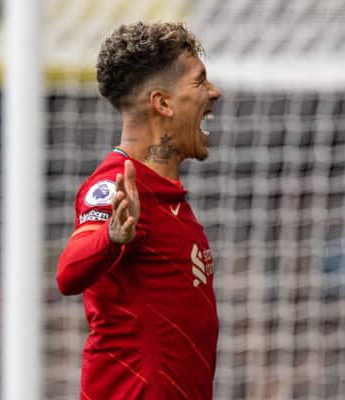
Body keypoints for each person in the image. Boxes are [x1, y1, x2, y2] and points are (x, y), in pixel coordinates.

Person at [56, 22, 222, 399]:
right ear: (162, 103)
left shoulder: (168, 198)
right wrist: (113, 236)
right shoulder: (115, 186)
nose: (214, 93)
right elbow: (68, 272)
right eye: (199, 82)